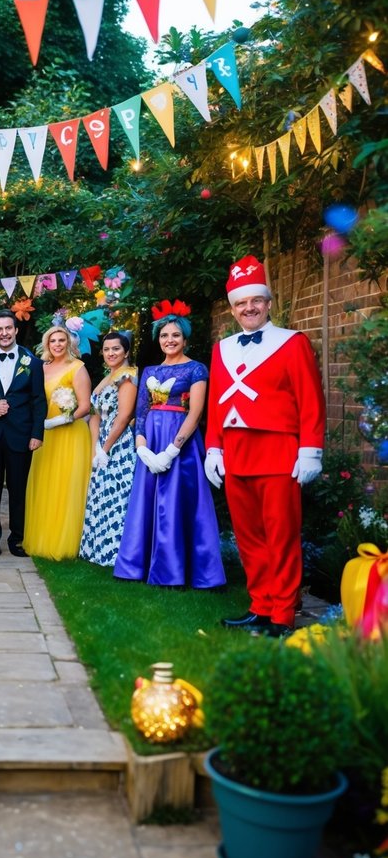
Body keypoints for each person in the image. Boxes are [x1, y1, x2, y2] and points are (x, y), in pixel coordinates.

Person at [205, 255, 325, 637]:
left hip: (278, 455)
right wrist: (213, 448)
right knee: (250, 538)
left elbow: (311, 400)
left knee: (281, 536)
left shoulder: (292, 343)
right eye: (241, 303)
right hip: (236, 454)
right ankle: (261, 605)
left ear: (268, 303)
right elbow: (217, 403)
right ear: (233, 308)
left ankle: (284, 613)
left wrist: (311, 450)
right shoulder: (221, 348)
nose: (249, 308)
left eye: (255, 300)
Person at [114, 300, 225, 589]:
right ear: (158, 339)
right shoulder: (149, 370)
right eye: (164, 335)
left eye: (175, 335)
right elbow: (140, 412)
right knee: (147, 502)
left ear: (185, 339)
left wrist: (172, 450)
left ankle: (177, 571)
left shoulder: (196, 369)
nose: (169, 340)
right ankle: (139, 566)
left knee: (177, 504)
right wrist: (142, 448)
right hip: (150, 441)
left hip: (181, 444)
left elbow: (196, 411)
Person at [0, 310, 46, 557]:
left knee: (18, 490)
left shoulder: (32, 362)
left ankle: (17, 540)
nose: (4, 333)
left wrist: (37, 434)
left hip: (21, 436)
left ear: (15, 330)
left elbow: (38, 401)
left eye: (8, 328)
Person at [23, 323, 92, 559]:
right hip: (45, 434)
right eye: (53, 341)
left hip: (69, 434)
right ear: (47, 344)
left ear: (69, 343)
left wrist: (61, 420)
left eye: (62, 340)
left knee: (66, 485)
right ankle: (43, 536)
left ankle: (65, 542)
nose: (57, 345)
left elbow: (85, 406)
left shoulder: (78, 368)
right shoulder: (41, 368)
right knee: (45, 484)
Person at [79, 331, 138, 568]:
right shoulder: (107, 377)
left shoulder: (128, 378)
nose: (111, 353)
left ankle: (116, 553)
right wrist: (95, 446)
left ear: (126, 352)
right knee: (101, 496)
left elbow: (123, 417)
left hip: (119, 443)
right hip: (101, 442)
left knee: (117, 498)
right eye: (106, 349)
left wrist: (105, 448)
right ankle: (97, 550)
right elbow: (95, 415)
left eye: (116, 349)